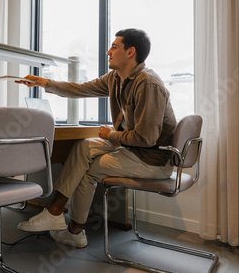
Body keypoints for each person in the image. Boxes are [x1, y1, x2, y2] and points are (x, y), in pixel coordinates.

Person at [16, 28, 177, 248]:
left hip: (152, 160)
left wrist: (111, 135)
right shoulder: (115, 79)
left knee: (89, 169)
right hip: (134, 150)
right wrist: (43, 83)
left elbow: (146, 138)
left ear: (130, 52)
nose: (108, 52)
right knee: (85, 146)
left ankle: (74, 231)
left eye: (114, 47)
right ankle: (54, 213)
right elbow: (80, 89)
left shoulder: (148, 83)